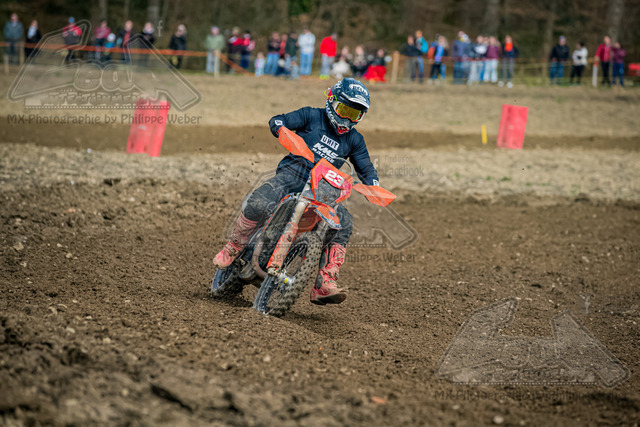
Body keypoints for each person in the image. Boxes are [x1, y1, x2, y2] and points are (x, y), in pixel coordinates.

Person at [212, 78, 379, 305]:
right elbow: (278, 120)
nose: (347, 119)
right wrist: (280, 127)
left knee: (344, 223)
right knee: (260, 201)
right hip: (293, 175)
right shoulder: (311, 115)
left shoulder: (355, 139)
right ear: (332, 100)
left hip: (323, 190)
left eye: (355, 114)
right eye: (345, 110)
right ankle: (234, 246)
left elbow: (366, 168)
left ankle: (324, 281)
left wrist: (374, 185)